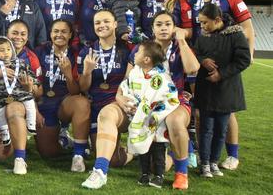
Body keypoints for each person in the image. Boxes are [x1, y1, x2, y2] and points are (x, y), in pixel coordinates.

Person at [83, 11, 199, 190]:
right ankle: (99, 171)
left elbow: (193, 69)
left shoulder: (179, 46)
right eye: (158, 24)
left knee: (174, 122)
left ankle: (181, 172)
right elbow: (128, 79)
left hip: (170, 102)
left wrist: (182, 40)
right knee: (107, 114)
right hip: (138, 101)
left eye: (168, 24)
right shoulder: (141, 48)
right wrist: (119, 96)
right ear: (152, 28)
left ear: (174, 27)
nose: (163, 28)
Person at [192, 0, 255, 170]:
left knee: (227, 112)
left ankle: (232, 155)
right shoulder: (193, 2)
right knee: (203, 111)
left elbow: (247, 29)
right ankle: (205, 156)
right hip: (202, 64)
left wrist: (250, 54)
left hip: (225, 64)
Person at [77, 10, 132, 190]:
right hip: (95, 106)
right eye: (98, 23)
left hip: (119, 105)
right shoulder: (88, 50)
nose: (102, 25)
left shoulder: (128, 49)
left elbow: (130, 81)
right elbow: (83, 88)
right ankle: (133, 152)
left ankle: (99, 172)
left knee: (107, 114)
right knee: (113, 159)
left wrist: (121, 98)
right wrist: (87, 71)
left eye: (106, 21)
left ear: (116, 24)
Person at [0, 36, 39, 175]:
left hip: (19, 96)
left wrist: (31, 85)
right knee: (0, 115)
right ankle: (5, 134)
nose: (6, 53)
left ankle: (30, 126)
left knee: (29, 102)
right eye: (1, 50)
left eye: (8, 49)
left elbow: (33, 78)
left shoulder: (21, 62)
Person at [120, 40, 179, 188]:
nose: (134, 54)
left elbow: (167, 98)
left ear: (146, 59)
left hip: (156, 120)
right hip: (140, 117)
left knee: (158, 147)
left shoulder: (161, 77)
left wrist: (152, 114)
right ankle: (144, 174)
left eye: (137, 52)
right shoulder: (134, 73)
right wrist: (131, 104)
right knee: (142, 147)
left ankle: (159, 176)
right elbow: (127, 89)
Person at [33, 19, 90, 172]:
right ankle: (66, 141)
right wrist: (35, 110)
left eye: (64, 32)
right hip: (44, 102)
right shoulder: (39, 51)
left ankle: (78, 155)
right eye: (56, 31)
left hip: (65, 101)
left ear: (71, 34)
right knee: (48, 152)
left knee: (81, 103)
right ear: (50, 33)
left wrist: (68, 75)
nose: (59, 35)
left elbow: (75, 91)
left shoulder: (76, 53)